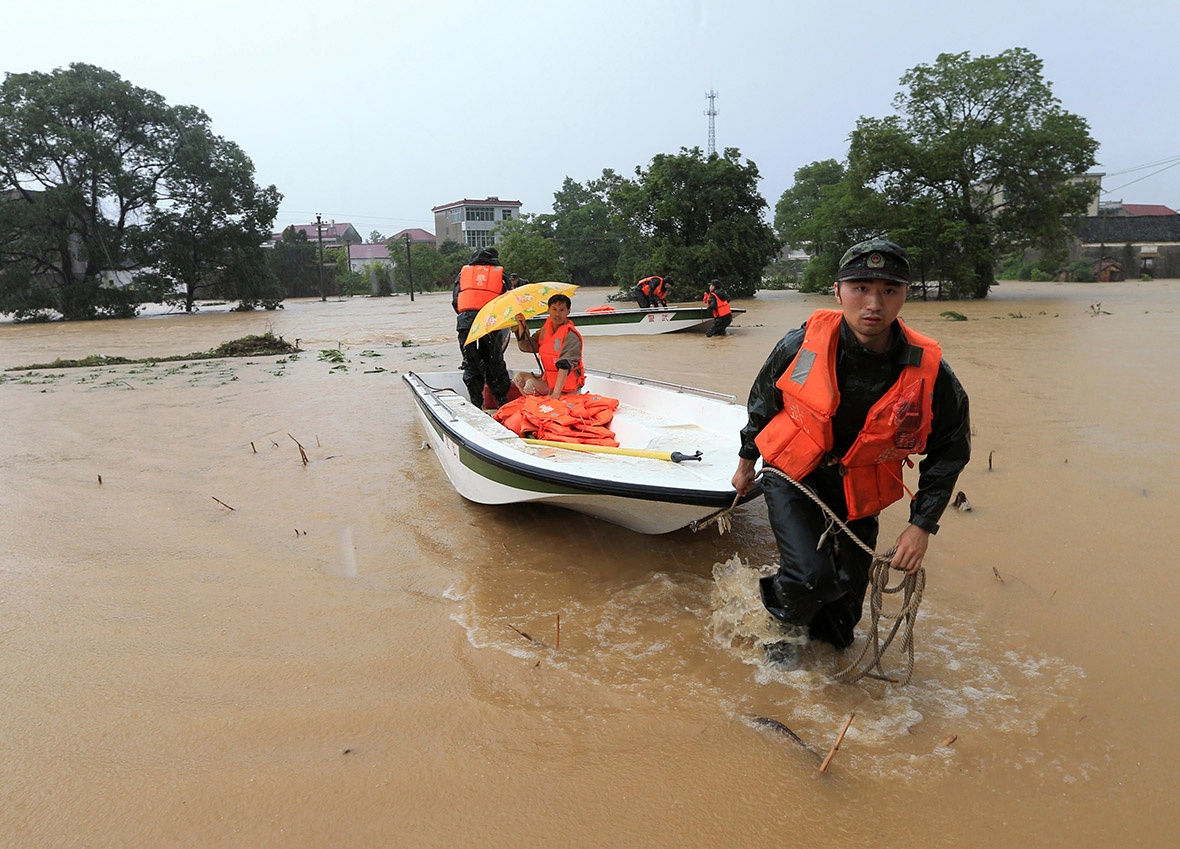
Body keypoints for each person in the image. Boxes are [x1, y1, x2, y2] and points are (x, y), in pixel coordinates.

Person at [731, 238, 971, 663]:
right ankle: (780, 625)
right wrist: (746, 461)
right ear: (838, 290)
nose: (873, 303)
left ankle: (826, 661)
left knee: (842, 624)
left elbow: (951, 448)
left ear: (905, 296)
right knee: (811, 578)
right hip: (794, 475)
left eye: (889, 290)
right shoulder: (800, 345)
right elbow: (763, 400)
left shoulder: (929, 371)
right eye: (860, 287)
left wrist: (922, 526)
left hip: (859, 488)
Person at [452, 246, 513, 408]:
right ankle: (501, 403)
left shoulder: (463, 274)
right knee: (494, 360)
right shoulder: (500, 274)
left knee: (471, 362)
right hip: (491, 321)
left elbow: (456, 302)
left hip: (466, 322)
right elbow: (509, 300)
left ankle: (476, 404)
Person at [511, 293, 585, 399]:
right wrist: (522, 326)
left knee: (530, 384)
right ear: (548, 310)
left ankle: (545, 404)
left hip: (567, 387)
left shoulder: (571, 335)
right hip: (550, 380)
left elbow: (565, 365)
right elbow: (527, 346)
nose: (557, 314)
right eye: (554, 309)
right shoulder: (545, 330)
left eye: (562, 310)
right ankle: (537, 404)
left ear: (568, 311)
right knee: (519, 378)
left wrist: (556, 394)